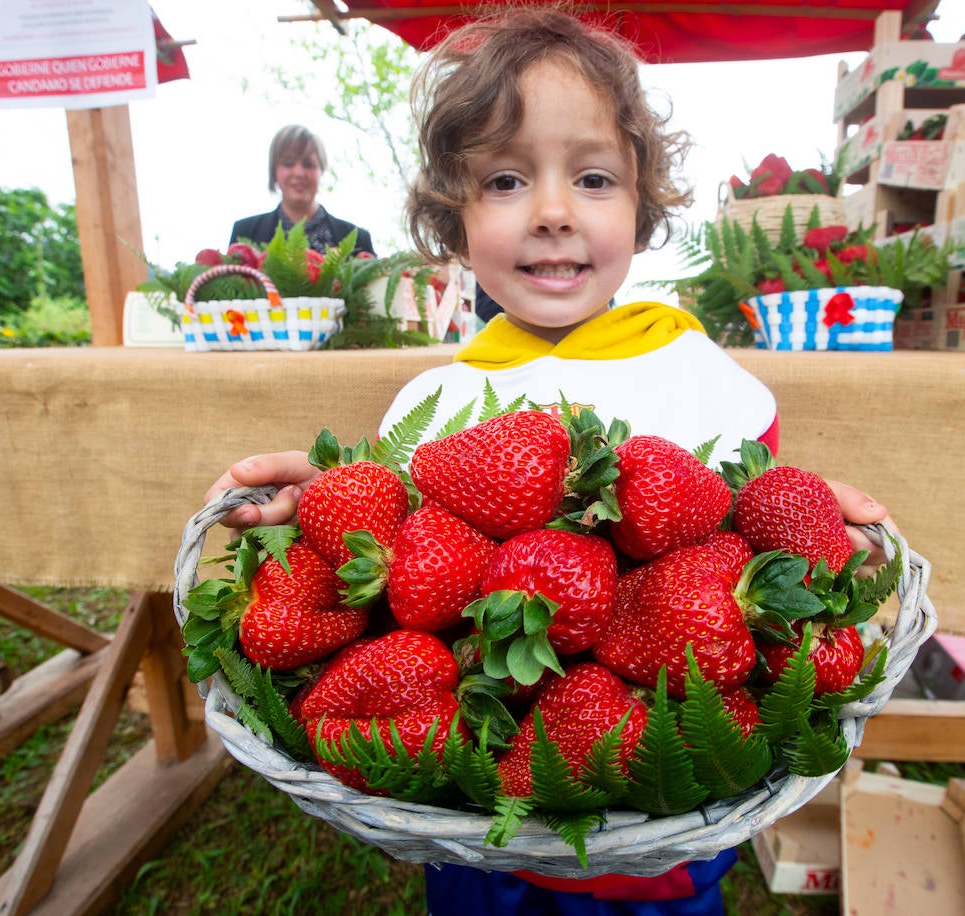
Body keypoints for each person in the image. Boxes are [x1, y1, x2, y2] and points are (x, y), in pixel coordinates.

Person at [205, 9, 892, 915]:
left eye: (595, 177)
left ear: (642, 209)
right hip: (476, 814)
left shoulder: (694, 372)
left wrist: (821, 531)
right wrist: (327, 493)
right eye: (504, 179)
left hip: (660, 803)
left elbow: (752, 520)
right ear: (452, 220)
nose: (555, 212)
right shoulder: (438, 403)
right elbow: (399, 527)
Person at [228, 124, 377, 257]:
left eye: (308, 164)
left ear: (321, 170)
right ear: (274, 171)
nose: (299, 173)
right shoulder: (245, 233)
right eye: (288, 163)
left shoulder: (358, 240)